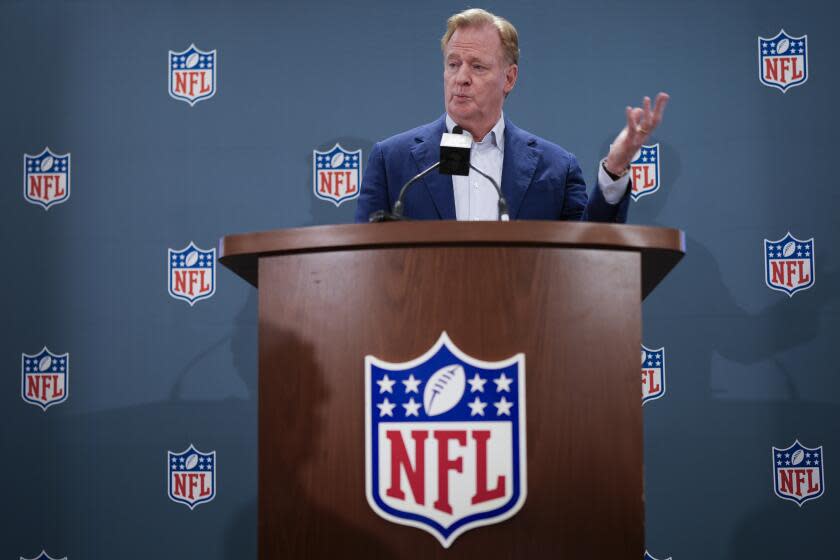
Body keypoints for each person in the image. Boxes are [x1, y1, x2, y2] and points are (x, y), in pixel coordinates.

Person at [354, 8, 669, 223]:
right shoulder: (393, 161)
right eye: (453, 64)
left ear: (509, 78)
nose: (460, 78)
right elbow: (364, 260)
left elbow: (588, 255)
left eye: (477, 66)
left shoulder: (555, 169)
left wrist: (615, 167)